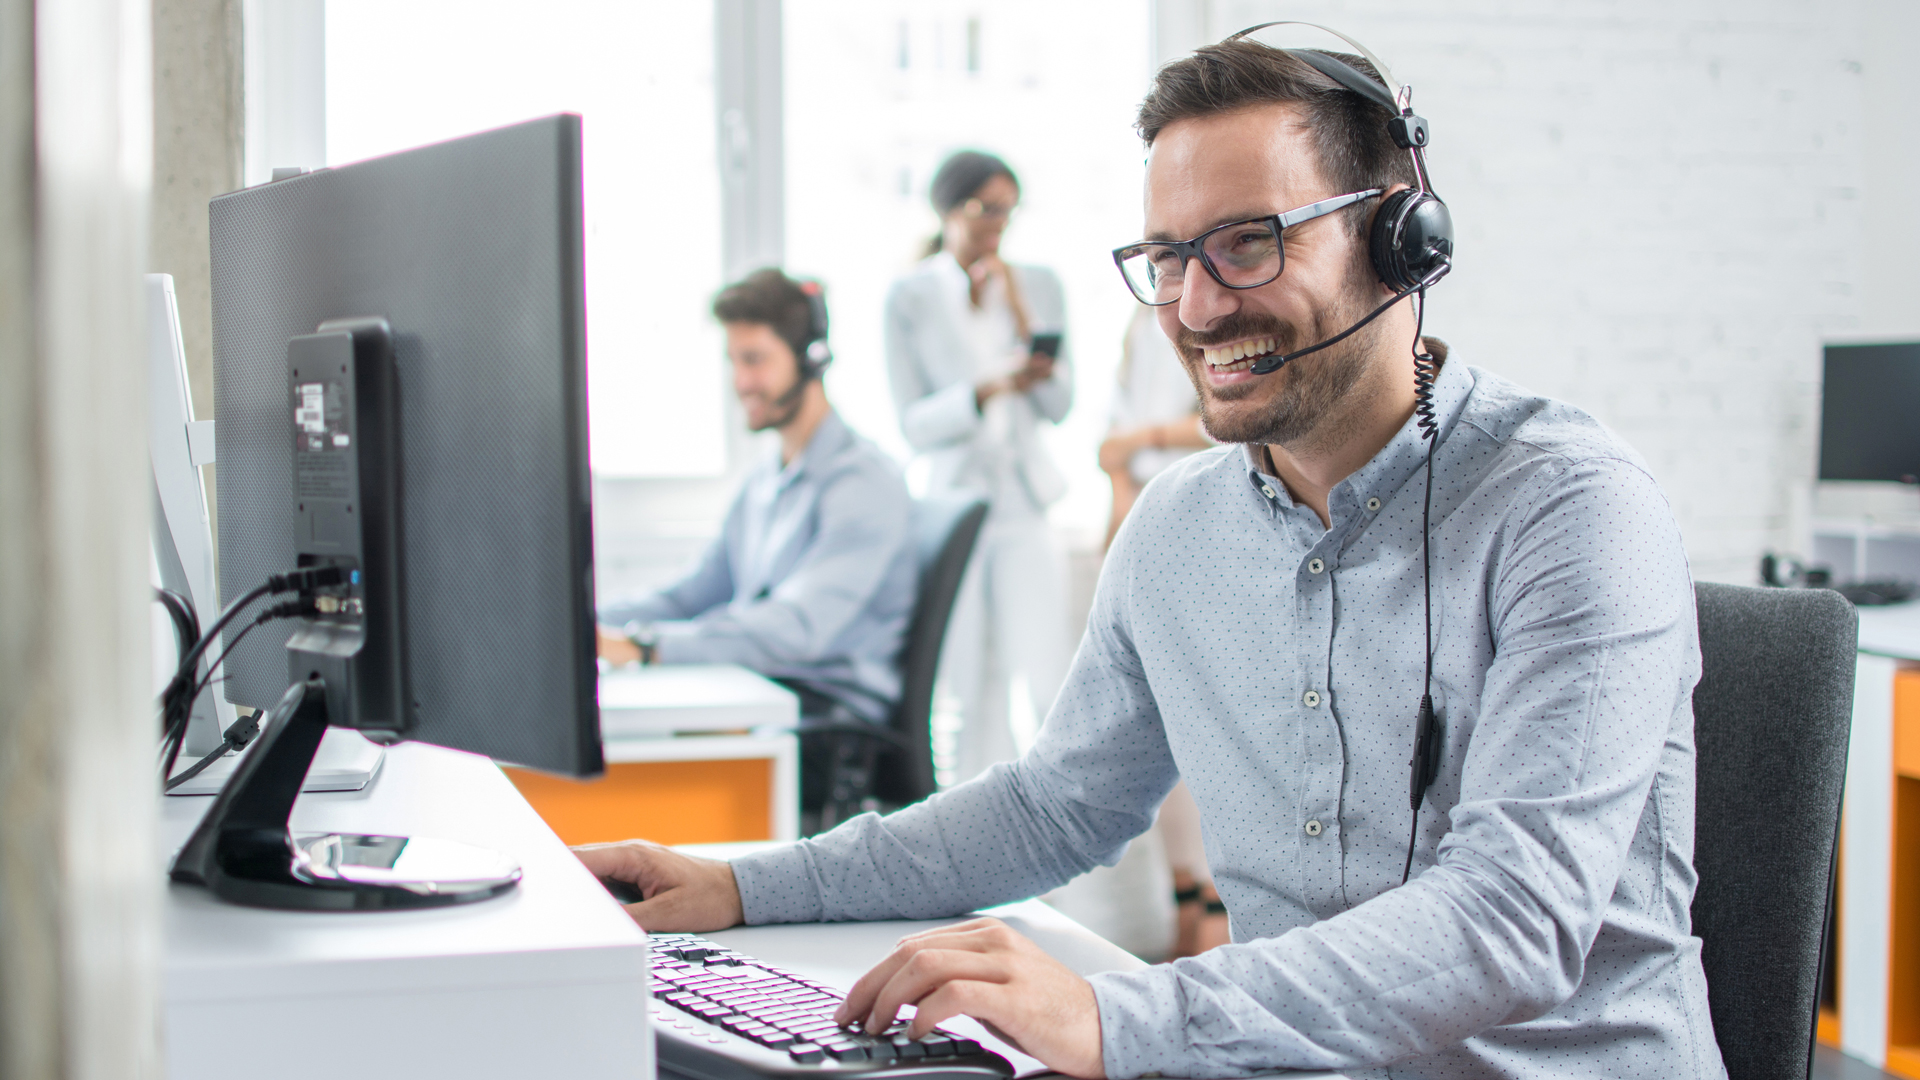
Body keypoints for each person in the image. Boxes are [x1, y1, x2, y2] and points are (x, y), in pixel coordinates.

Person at [579, 35, 1720, 1080]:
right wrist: (737, 885)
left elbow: (1514, 919)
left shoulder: (1569, 509)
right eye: (1167, 257)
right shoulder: (1177, 530)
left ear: (1399, 233)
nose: (1196, 306)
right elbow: (1051, 809)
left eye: (1246, 243)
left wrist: (1118, 1017)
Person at [597, 269, 916, 814]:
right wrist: (584, 622)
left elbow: (798, 629)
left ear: (811, 358)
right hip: (765, 699)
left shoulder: (863, 485)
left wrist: (647, 646)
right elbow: (693, 594)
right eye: (734, 361)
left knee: (632, 768)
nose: (740, 381)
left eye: (755, 359)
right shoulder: (766, 478)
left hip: (826, 730)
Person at [882, 150, 1074, 783]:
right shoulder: (909, 297)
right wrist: (986, 388)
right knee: (964, 687)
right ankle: (963, 835)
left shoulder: (1038, 283)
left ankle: (1049, 829)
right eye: (987, 209)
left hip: (1024, 505)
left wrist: (1023, 318)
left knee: (1045, 678)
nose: (999, 223)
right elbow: (914, 425)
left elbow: (1058, 404)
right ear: (948, 209)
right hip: (956, 506)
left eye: (1008, 211)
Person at [1099, 303, 1211, 550]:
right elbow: (1113, 442)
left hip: (1198, 497)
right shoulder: (1141, 315)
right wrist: (1120, 508)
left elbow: (1220, 425)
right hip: (1140, 497)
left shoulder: (1207, 313)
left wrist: (1143, 438)